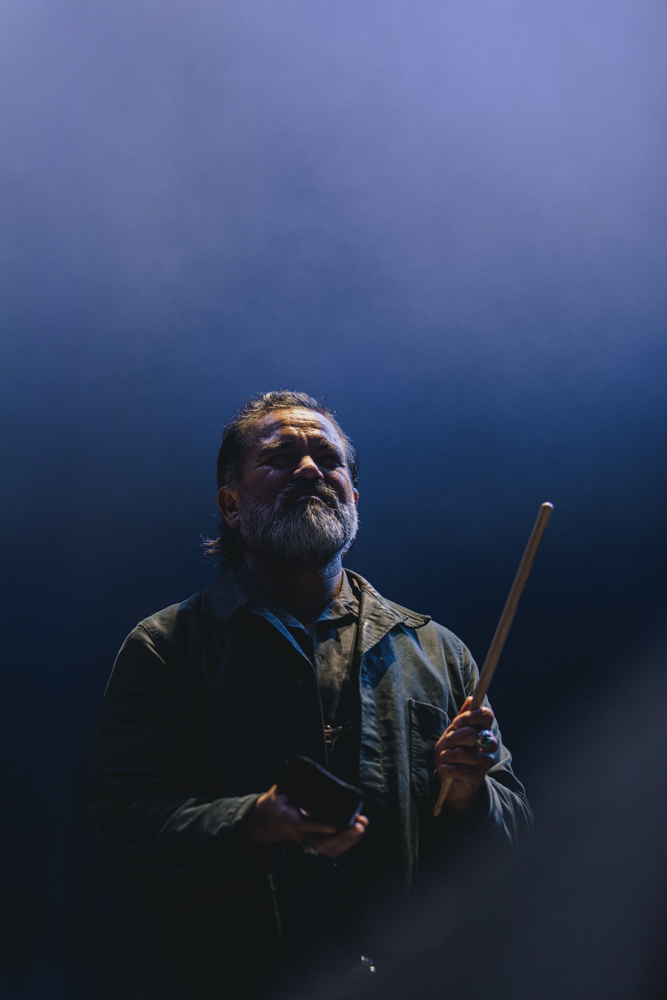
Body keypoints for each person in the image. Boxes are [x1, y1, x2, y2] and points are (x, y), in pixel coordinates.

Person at [89, 391, 532, 1000]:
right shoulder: (167, 647)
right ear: (231, 505)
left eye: (328, 459)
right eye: (280, 457)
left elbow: (515, 836)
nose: (308, 469)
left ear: (353, 496)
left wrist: (469, 794)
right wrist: (255, 822)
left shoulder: (437, 652)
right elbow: (127, 829)